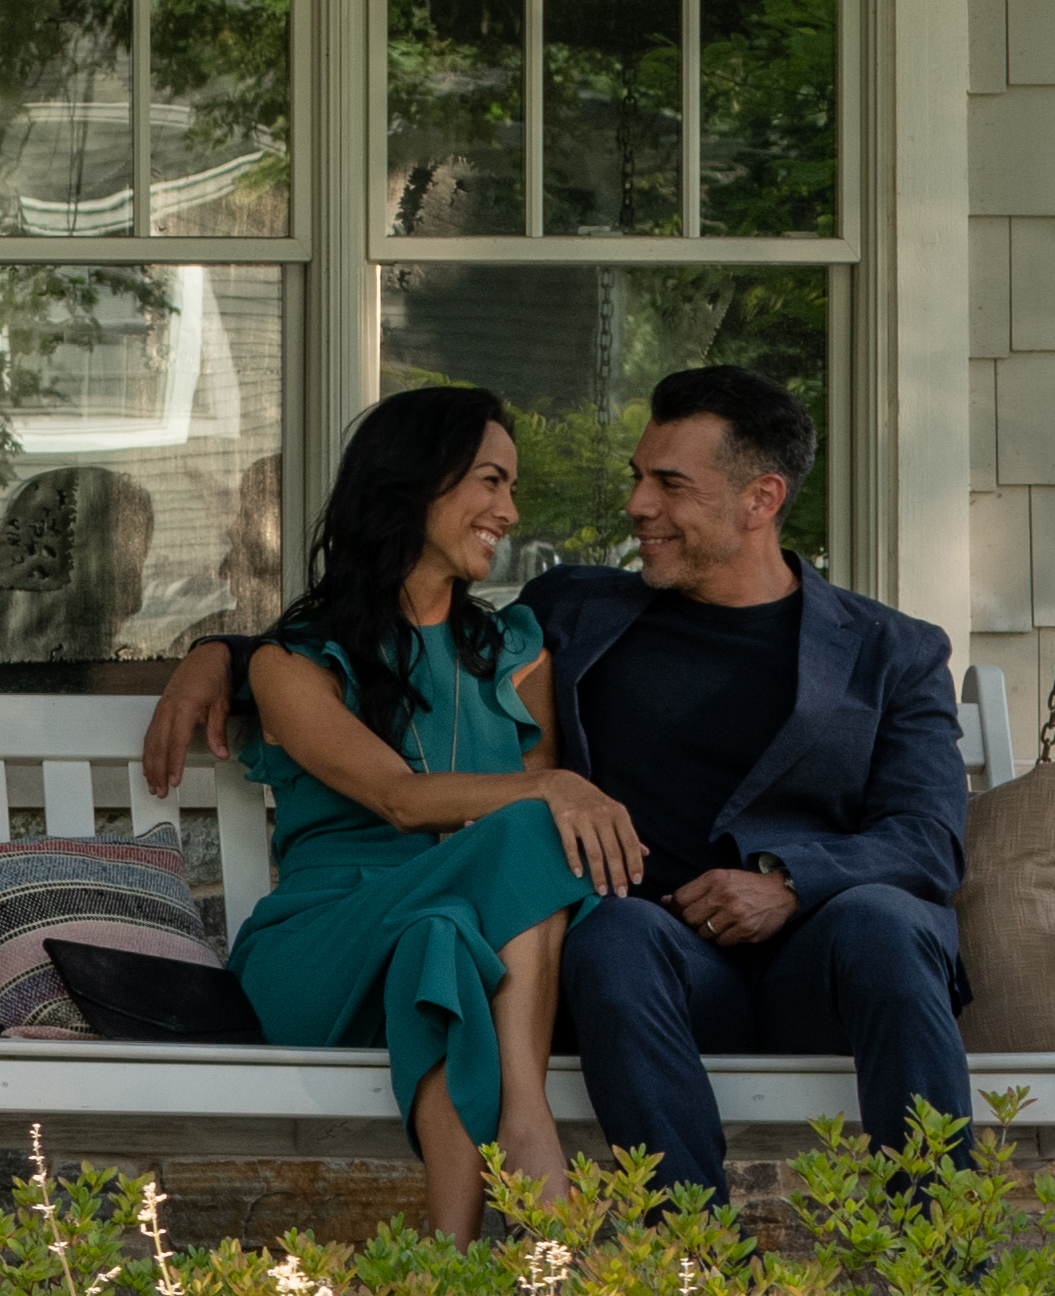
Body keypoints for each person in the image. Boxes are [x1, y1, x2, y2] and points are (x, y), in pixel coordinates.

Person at [155, 359, 978, 1212]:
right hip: (655, 966)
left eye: (668, 484)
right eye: (636, 479)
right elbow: (388, 628)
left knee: (891, 920)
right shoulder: (581, 611)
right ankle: (686, 1279)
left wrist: (788, 884)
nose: (636, 507)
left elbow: (926, 840)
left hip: (825, 964)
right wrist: (221, 655)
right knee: (616, 933)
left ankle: (946, 1271)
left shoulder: (893, 651)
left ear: (760, 499)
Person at [208, 384, 648, 1239]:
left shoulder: (518, 654)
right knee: (529, 826)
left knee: (441, 940)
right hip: (320, 949)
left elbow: (533, 852)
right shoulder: (290, 666)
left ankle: (446, 1272)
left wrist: (547, 796)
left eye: (512, 488)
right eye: (491, 481)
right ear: (414, 481)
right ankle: (528, 1125)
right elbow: (399, 800)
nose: (509, 511)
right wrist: (549, 787)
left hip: (453, 935)